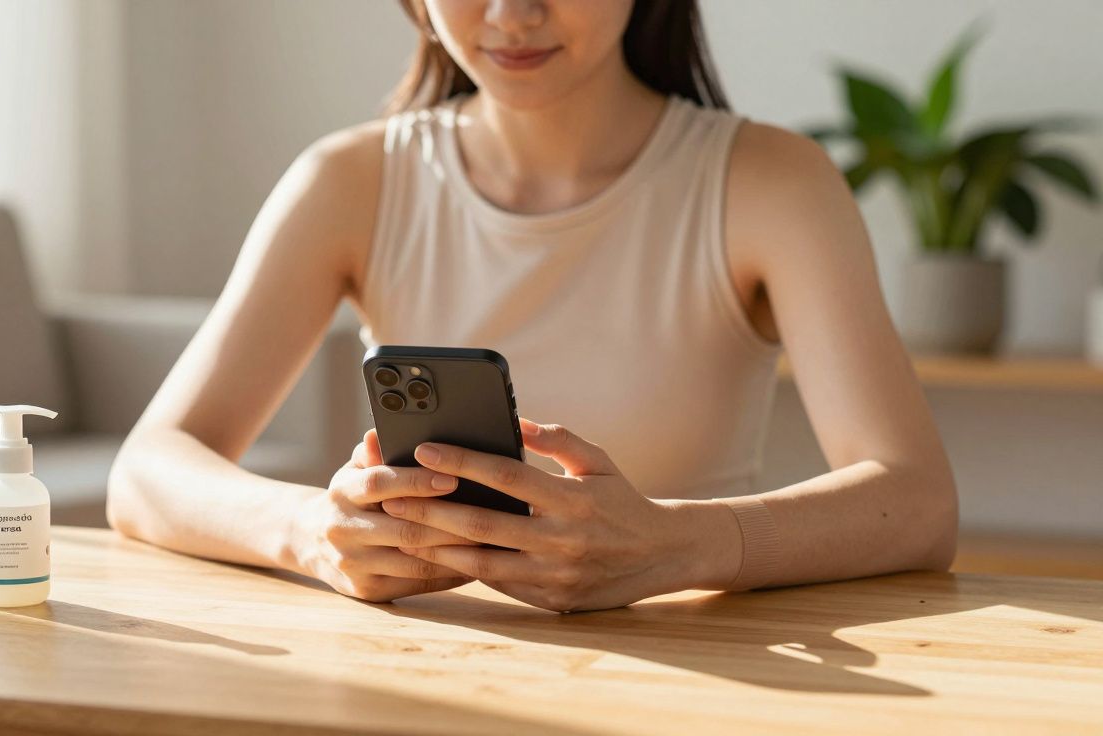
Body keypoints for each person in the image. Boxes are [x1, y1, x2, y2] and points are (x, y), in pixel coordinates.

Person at [106, 0, 958, 613]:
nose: (513, 15)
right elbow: (147, 469)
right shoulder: (349, 182)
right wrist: (310, 530)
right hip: (421, 671)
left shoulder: (772, 183)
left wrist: (681, 546)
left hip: (694, 671)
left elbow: (918, 503)